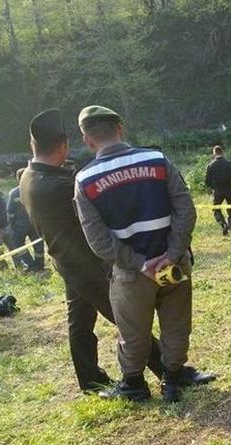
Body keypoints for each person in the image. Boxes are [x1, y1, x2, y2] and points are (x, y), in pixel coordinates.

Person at [19, 108, 215, 394]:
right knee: (134, 326)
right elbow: (178, 209)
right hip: (96, 266)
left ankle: (94, 379)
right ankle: (157, 375)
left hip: (73, 262)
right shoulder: (64, 183)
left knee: (83, 324)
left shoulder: (30, 177)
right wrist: (166, 253)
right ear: (120, 129)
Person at [74, 105, 200, 402]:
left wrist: (140, 264)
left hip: (131, 274)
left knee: (132, 333)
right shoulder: (157, 160)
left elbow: (98, 240)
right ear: (121, 128)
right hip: (174, 266)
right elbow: (186, 210)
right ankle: (172, 382)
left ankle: (134, 385)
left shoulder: (85, 180)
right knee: (176, 323)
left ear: (87, 140)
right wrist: (172, 253)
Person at [7, 168, 45, 272]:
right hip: (35, 222)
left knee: (18, 244)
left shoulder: (14, 193)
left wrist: (11, 225)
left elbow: (10, 211)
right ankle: (40, 265)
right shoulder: (35, 190)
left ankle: (30, 265)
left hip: (20, 225)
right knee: (38, 244)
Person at [204, 145, 231, 235]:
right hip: (229, 189)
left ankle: (223, 224)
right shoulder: (230, 164)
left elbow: (207, 181)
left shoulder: (210, 166)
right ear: (222, 152)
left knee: (216, 209)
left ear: (214, 153)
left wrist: (211, 189)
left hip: (218, 190)